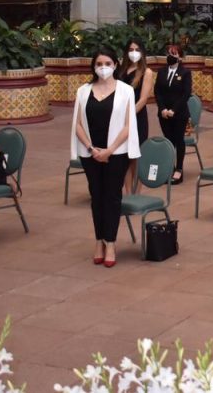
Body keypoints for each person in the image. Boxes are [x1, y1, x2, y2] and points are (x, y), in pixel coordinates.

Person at [70, 50, 141, 267]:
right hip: (90, 153)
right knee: (97, 196)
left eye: (107, 63)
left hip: (116, 153)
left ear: (115, 65)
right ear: (93, 66)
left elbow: (128, 125)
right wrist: (92, 148)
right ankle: (98, 241)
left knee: (112, 197)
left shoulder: (126, 90)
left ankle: (110, 242)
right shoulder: (83, 91)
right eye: (99, 63)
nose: (103, 67)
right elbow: (77, 124)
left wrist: (109, 150)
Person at [154, 43, 192, 185]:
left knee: (178, 140)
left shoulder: (185, 72)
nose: (170, 56)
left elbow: (186, 94)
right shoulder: (161, 71)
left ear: (180, 57)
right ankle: (170, 167)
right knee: (168, 140)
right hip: (163, 114)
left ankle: (179, 169)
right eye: (169, 53)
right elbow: (157, 91)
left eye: (174, 54)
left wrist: (174, 110)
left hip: (179, 113)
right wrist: (162, 109)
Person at [119, 38, 153, 193]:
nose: (134, 53)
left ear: (142, 52)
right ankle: (128, 193)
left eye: (137, 50)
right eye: (131, 50)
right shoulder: (121, 71)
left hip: (136, 118)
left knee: (136, 157)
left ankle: (137, 193)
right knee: (125, 157)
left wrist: (128, 115)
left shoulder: (146, 72)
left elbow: (143, 99)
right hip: (120, 118)